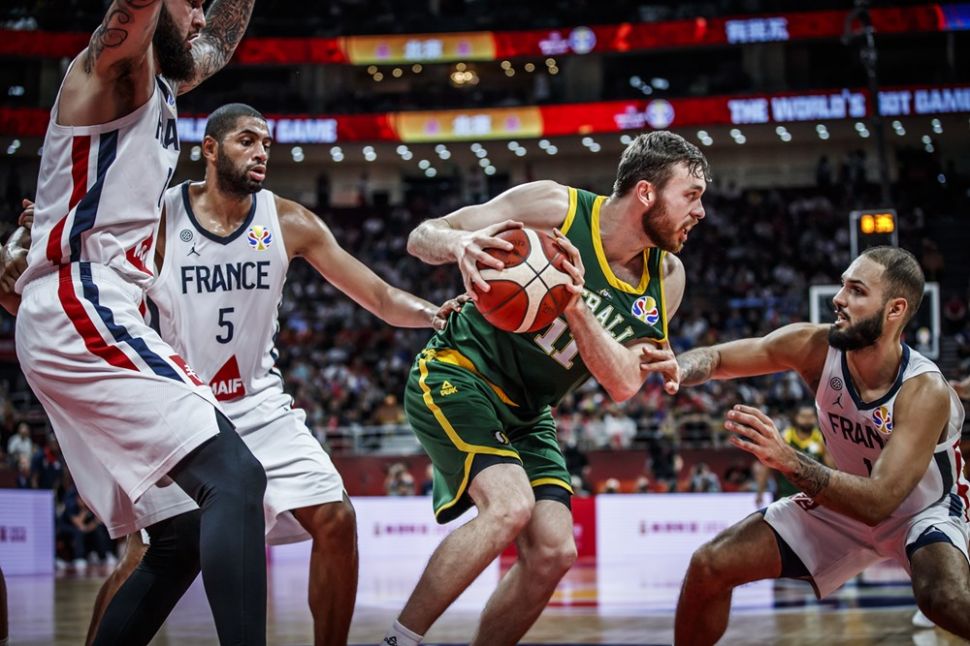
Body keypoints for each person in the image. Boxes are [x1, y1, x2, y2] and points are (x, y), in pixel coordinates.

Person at [15, 103, 462, 646]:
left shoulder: (290, 221)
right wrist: (51, 230)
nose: (260, 153)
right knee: (150, 553)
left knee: (337, 518)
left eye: (266, 144)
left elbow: (380, 296)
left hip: (259, 403)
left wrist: (432, 313)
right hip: (180, 405)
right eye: (246, 141)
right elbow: (89, 253)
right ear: (210, 149)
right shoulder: (158, 217)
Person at [383, 131, 709, 646]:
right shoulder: (556, 207)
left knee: (555, 552)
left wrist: (574, 305)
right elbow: (423, 235)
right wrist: (459, 244)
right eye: (691, 195)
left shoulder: (667, 276)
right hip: (459, 371)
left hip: (529, 411)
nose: (700, 211)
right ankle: (398, 640)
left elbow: (625, 382)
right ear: (646, 193)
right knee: (509, 507)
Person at [6, 1, 265, 643]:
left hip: (87, 308)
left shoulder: (166, 80)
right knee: (236, 477)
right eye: (190, 3)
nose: (201, 17)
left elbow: (220, 41)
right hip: (82, 299)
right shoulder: (115, 64)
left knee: (181, 534)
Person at [657, 247, 970, 643]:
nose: (839, 298)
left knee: (944, 599)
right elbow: (717, 358)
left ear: (895, 310)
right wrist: (677, 369)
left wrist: (788, 460)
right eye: (843, 286)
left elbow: (879, 502)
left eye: (857, 291)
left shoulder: (923, 389)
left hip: (924, 510)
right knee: (709, 565)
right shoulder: (814, 347)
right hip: (845, 502)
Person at [755, 403, 834, 505]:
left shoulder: (820, 439)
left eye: (811, 417)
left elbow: (831, 469)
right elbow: (767, 467)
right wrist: (760, 492)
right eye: (803, 416)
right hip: (786, 495)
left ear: (816, 418)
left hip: (814, 497)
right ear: (796, 417)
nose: (807, 420)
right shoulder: (784, 438)